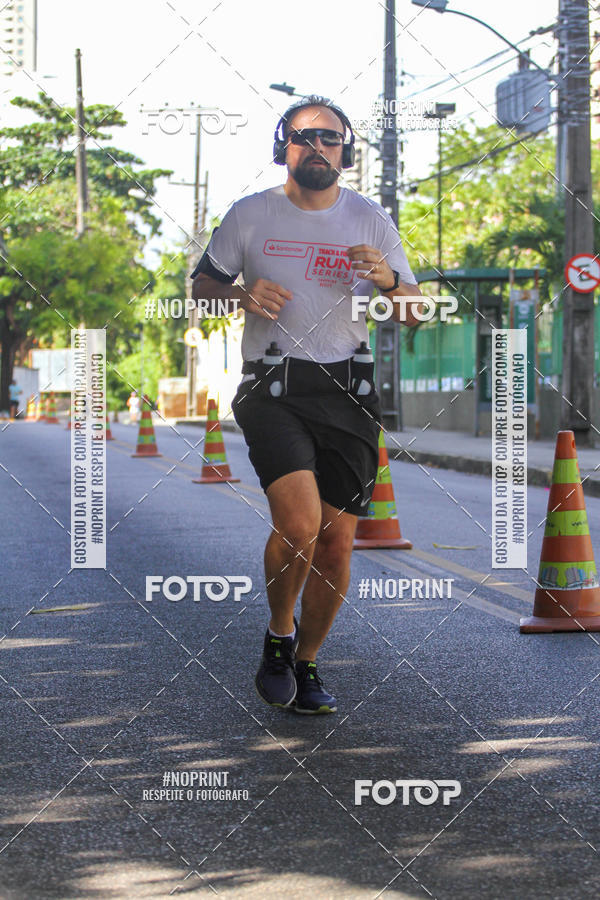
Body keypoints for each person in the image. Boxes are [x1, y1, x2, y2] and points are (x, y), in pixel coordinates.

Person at [191, 95, 423, 714]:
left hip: (349, 389)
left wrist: (389, 283)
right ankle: (279, 633)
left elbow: (416, 309)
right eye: (303, 137)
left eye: (329, 138)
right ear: (283, 147)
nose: (315, 147)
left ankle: (308, 661)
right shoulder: (250, 215)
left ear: (345, 152)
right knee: (300, 526)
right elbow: (200, 290)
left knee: (338, 544)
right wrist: (240, 294)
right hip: (274, 385)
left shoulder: (372, 219)